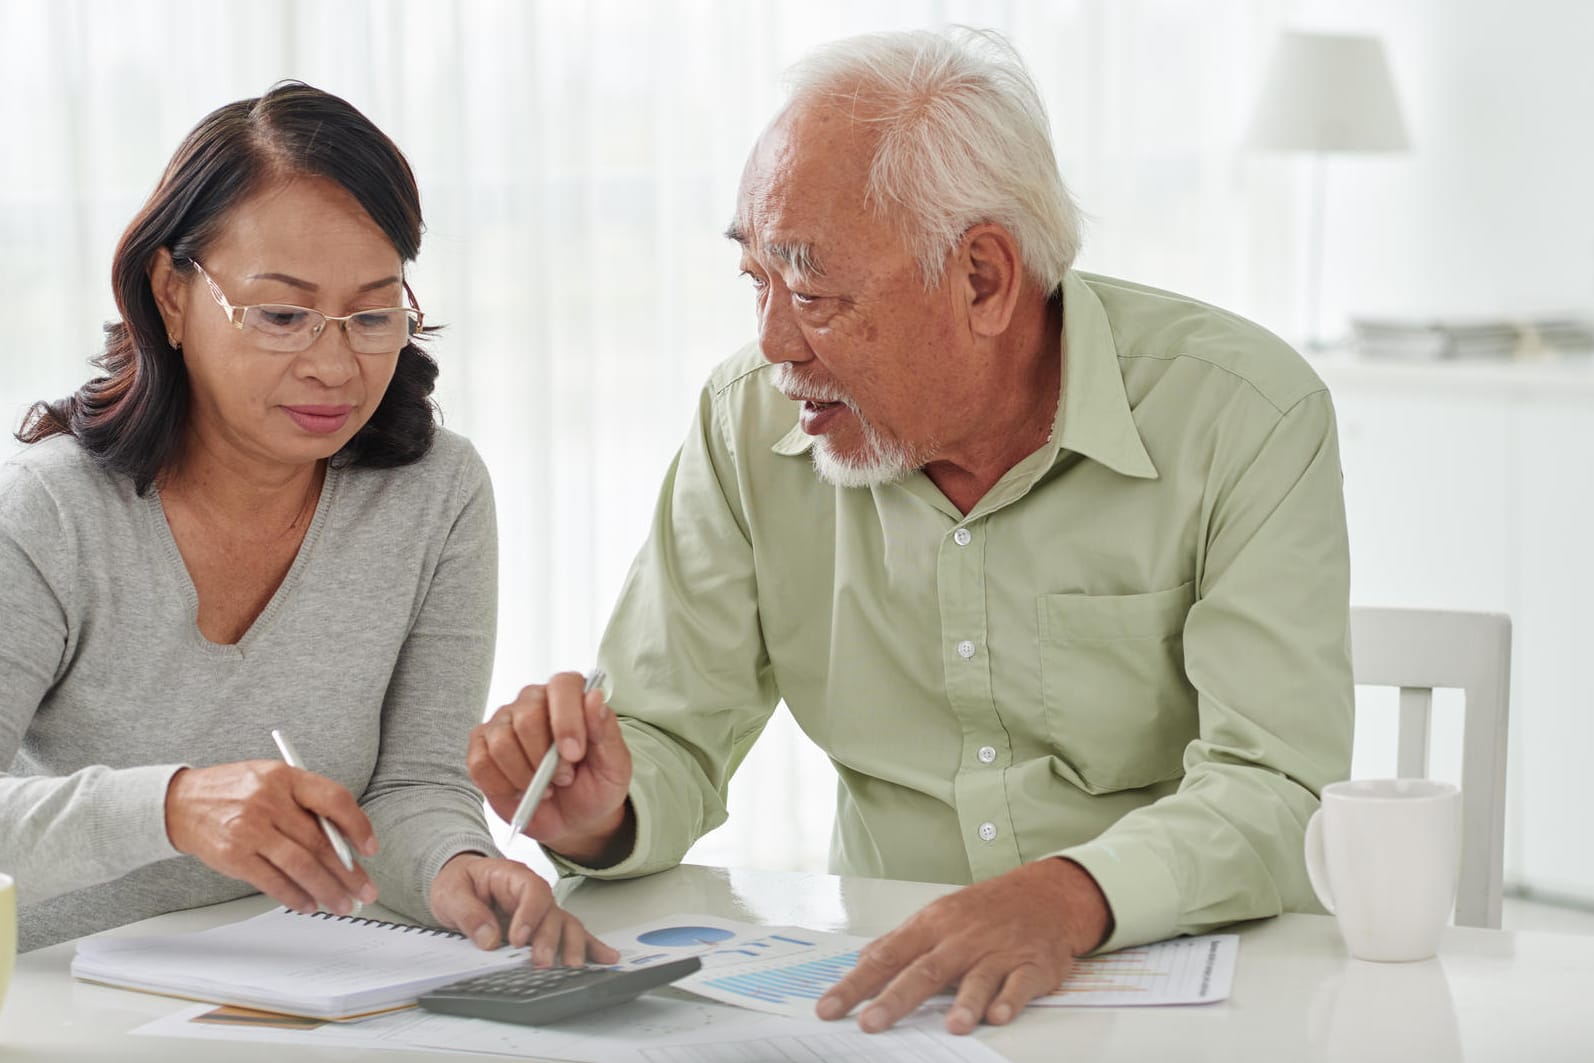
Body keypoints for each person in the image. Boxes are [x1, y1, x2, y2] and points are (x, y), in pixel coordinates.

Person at [470, 28, 1352, 1034]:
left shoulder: (1240, 411)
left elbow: (1276, 786)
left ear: (982, 277)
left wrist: (1066, 896)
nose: (773, 343)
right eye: (756, 281)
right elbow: (670, 730)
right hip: (899, 997)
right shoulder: (745, 420)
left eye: (812, 294)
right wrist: (604, 813)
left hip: (1204, 987)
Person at [0, 81, 613, 965]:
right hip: (57, 1001)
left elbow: (410, 786)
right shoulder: (50, 512)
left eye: (372, 315)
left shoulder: (436, 495)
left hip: (300, 994)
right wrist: (171, 807)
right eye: (282, 315)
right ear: (172, 294)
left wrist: (457, 865)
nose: (335, 365)